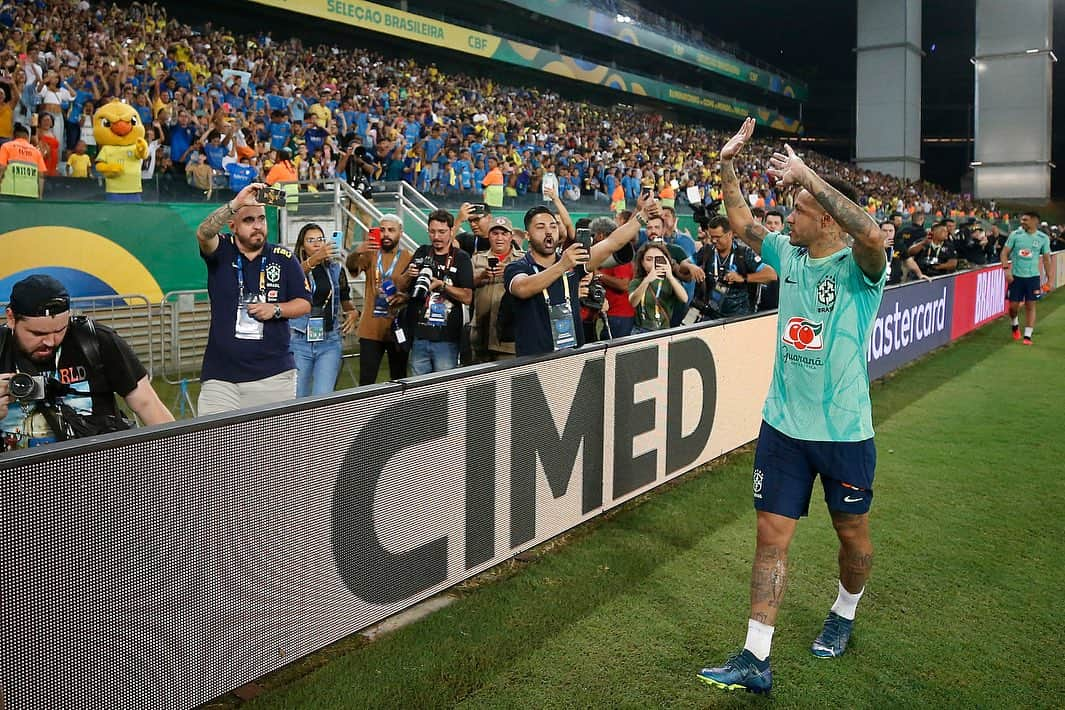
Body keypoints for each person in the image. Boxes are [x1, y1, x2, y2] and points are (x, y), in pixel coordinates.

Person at [698, 118, 887, 695]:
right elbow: (741, 222)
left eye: (800, 208)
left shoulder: (860, 270)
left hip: (844, 431)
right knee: (770, 534)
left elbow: (874, 234)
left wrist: (811, 177)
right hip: (782, 425)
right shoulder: (788, 253)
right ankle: (756, 657)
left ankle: (845, 611)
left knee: (851, 532)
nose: (789, 217)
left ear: (826, 217)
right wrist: (728, 163)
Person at [1, 275, 173, 452]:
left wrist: (178, 457)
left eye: (60, 330)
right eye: (37, 334)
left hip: (97, 468)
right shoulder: (2, 350)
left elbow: (147, 403)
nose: (50, 342)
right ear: (11, 318)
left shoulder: (97, 341)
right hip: (16, 474)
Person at [195, 182, 311, 415]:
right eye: (248, 220)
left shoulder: (284, 258)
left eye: (261, 219)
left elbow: (304, 302)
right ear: (233, 226)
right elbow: (203, 233)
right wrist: (236, 204)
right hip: (221, 378)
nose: (257, 226)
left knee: (268, 451)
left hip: (273, 377)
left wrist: (276, 309)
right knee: (211, 448)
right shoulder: (222, 250)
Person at [504, 195, 653, 358]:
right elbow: (522, 288)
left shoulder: (572, 260)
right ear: (527, 235)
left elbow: (612, 243)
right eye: (540, 227)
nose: (548, 231)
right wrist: (562, 266)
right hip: (534, 360)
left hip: (573, 355)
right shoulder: (518, 266)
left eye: (553, 226)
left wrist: (641, 216)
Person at [290, 223, 358, 396]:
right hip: (300, 341)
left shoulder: (335, 269)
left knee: (323, 397)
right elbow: (293, 277)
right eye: (310, 240)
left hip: (329, 341)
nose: (316, 243)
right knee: (298, 397)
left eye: (320, 239)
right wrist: (315, 259)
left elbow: (346, 303)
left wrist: (353, 313)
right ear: (302, 245)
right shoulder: (293, 266)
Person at [346, 214, 414, 385]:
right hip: (370, 329)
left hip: (397, 328)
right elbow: (352, 268)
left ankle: (399, 412)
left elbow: (412, 293)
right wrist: (357, 251)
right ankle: (364, 412)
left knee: (399, 380)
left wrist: (404, 298)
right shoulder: (370, 254)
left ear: (401, 232)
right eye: (382, 230)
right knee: (366, 382)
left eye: (391, 230)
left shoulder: (408, 257)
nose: (386, 234)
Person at [404, 209, 474, 375]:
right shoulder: (422, 252)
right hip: (420, 335)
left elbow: (467, 297)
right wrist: (408, 275)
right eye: (433, 232)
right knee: (418, 392)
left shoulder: (461, 257)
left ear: (451, 230)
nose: (437, 237)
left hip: (447, 338)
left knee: (443, 391)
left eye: (442, 232)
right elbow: (403, 286)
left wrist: (442, 285)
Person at [692, 215, 776, 319]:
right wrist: (692, 267)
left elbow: (771, 275)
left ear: (730, 234)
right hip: (711, 316)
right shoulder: (707, 251)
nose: (714, 241)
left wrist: (743, 278)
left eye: (718, 237)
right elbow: (684, 264)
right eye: (711, 237)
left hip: (739, 318)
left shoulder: (744, 254)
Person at [470, 216, 524, 362]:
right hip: (480, 331)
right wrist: (481, 276)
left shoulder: (522, 260)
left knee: (507, 379)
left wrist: (509, 272)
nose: (499, 238)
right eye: (495, 233)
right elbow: (466, 286)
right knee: (479, 380)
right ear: (488, 236)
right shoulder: (477, 259)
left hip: (508, 334)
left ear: (511, 236)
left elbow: (529, 285)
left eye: (504, 233)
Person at [1001, 211, 1052, 345]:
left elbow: (1047, 260)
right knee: (1013, 307)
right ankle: (1014, 324)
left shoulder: (1043, 238)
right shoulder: (1015, 235)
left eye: (1025, 220)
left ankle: (1027, 336)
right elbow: (1004, 253)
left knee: (1030, 305)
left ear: (1035, 221)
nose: (1022, 222)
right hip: (1016, 277)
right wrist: (1006, 270)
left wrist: (1050, 279)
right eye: (1022, 220)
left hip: (1033, 277)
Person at [628, 242, 686, 334]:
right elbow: (633, 302)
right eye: (649, 259)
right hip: (640, 330)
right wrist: (647, 280)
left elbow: (684, 299)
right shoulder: (637, 282)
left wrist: (670, 275)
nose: (653, 263)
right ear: (642, 262)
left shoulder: (670, 281)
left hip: (663, 331)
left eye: (658, 259)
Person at [594, 216, 637, 338]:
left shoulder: (618, 253)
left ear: (600, 235)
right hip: (613, 313)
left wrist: (598, 275)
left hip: (620, 315)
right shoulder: (607, 253)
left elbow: (624, 285)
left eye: (593, 236)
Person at [0, 123, 46, 198]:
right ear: (27, 137)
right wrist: (40, 196)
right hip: (31, 194)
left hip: (9, 193)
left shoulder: (6, 146)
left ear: (13, 136)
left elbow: (1, 168)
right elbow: (41, 176)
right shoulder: (36, 151)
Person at [882, 220, 928, 285]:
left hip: (894, 283)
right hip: (877, 285)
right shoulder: (872, 245)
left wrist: (920, 274)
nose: (888, 233)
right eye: (884, 230)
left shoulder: (898, 245)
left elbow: (909, 260)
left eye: (890, 231)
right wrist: (881, 247)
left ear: (895, 232)